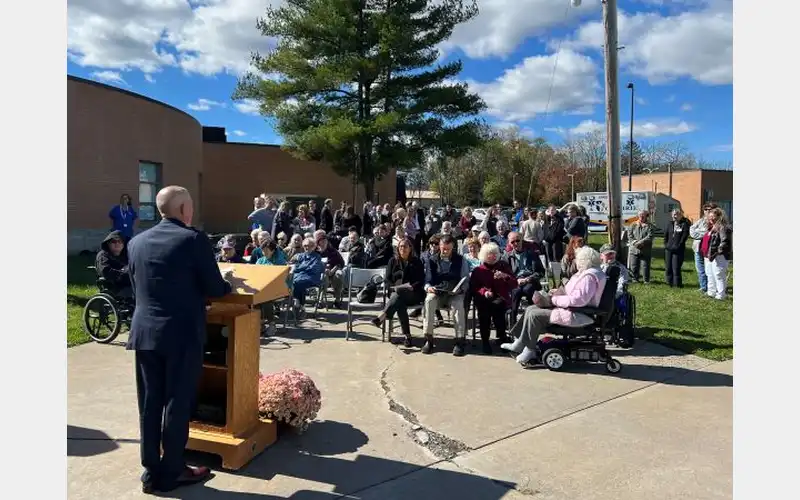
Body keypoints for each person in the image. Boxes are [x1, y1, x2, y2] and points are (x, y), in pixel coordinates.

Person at [126, 186, 233, 494]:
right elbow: (214, 286)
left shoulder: (136, 242)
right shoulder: (193, 239)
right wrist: (227, 284)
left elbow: (141, 287)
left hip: (145, 332)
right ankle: (172, 471)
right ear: (184, 208)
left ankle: (150, 469)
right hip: (181, 334)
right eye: (191, 206)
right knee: (177, 401)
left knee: (150, 402)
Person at [501, 247, 607, 366]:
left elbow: (579, 300)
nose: (576, 261)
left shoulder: (589, 277)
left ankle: (530, 350)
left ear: (584, 260)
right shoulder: (585, 273)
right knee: (530, 308)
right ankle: (520, 342)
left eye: (578, 259)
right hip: (571, 309)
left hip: (579, 314)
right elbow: (572, 293)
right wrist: (556, 292)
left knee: (535, 315)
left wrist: (554, 300)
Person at [371, 238, 426, 347]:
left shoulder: (417, 262)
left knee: (398, 296)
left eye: (405, 246)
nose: (403, 248)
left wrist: (411, 287)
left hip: (413, 294)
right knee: (399, 300)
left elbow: (420, 280)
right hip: (395, 293)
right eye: (400, 246)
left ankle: (382, 316)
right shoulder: (393, 261)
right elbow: (387, 279)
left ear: (410, 248)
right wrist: (392, 287)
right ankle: (407, 337)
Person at [422, 235, 470, 356]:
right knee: (429, 301)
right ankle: (429, 338)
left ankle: (459, 341)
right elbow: (427, 280)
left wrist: (461, 289)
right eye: (443, 248)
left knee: (458, 305)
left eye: (448, 249)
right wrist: (429, 287)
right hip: (438, 292)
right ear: (440, 246)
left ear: (452, 248)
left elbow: (466, 279)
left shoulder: (461, 259)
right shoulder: (432, 260)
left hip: (454, 293)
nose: (445, 251)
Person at [470, 243, 516, 354]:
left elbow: (514, 283)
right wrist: (484, 292)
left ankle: (501, 338)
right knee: (484, 313)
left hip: (500, 297)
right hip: (483, 298)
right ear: (484, 255)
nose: (493, 256)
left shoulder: (503, 266)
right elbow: (474, 287)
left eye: (495, 253)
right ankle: (485, 341)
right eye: (490, 254)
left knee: (498, 307)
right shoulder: (478, 270)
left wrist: (505, 277)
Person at [506, 232, 545, 323]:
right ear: (509, 243)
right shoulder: (507, 256)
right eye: (512, 242)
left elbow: (541, 272)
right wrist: (516, 280)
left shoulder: (532, 254)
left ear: (522, 240)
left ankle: (533, 320)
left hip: (530, 280)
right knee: (515, 292)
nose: (516, 243)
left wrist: (529, 279)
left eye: (518, 240)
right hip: (516, 282)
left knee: (528, 289)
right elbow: (506, 274)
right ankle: (513, 323)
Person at [254, 240, 289, 336]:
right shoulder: (260, 261)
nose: (264, 253)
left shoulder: (279, 261)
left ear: (273, 251)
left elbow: (281, 279)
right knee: (255, 298)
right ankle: (260, 323)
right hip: (262, 288)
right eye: (263, 251)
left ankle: (272, 324)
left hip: (279, 289)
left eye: (266, 251)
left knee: (266, 298)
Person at [700, 207, 732, 300]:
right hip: (711, 255)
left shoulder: (723, 227)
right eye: (710, 217)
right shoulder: (711, 227)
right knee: (710, 273)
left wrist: (717, 252)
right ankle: (711, 292)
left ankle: (721, 295)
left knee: (718, 274)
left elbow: (724, 242)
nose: (711, 219)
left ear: (719, 216)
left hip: (720, 256)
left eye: (713, 217)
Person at [291, 237, 325, 315]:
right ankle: (300, 305)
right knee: (295, 282)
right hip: (299, 277)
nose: (307, 247)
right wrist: (301, 267)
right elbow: (292, 265)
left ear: (313, 247)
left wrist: (299, 268)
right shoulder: (300, 256)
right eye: (305, 245)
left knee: (298, 283)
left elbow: (313, 269)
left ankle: (298, 304)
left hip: (312, 278)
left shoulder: (317, 257)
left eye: (309, 246)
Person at [689, 203, 717, 293]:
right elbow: (691, 230)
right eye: (706, 209)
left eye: (710, 209)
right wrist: (701, 234)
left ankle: (712, 288)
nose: (707, 211)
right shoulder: (700, 220)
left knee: (710, 269)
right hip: (697, 247)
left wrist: (698, 232)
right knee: (700, 269)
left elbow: (707, 233)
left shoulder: (715, 221)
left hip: (709, 249)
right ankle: (703, 287)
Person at [95, 230, 132, 297]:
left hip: (129, 283)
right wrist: (124, 275)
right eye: (114, 242)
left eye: (120, 241)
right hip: (114, 286)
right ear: (108, 243)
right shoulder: (103, 255)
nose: (117, 244)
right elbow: (105, 271)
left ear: (124, 244)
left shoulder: (127, 255)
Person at [315, 231, 346, 308]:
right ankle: (320, 301)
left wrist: (332, 271)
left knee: (339, 274)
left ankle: (337, 300)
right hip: (321, 272)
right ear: (318, 242)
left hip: (333, 271)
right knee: (323, 277)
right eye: (322, 240)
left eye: (325, 240)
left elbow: (341, 263)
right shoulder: (315, 252)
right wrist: (323, 270)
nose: (324, 242)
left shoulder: (333, 251)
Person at [663, 208, 691, 288]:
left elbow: (684, 237)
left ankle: (677, 285)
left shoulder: (684, 224)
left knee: (676, 267)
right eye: (674, 214)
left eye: (677, 214)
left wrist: (678, 246)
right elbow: (665, 236)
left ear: (681, 215)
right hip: (668, 249)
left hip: (678, 249)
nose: (675, 216)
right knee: (668, 267)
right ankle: (669, 283)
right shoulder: (670, 224)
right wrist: (666, 245)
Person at [625, 210, 654, 283]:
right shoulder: (633, 224)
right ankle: (635, 279)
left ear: (646, 216)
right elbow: (630, 235)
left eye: (643, 215)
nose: (641, 216)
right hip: (634, 249)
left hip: (645, 249)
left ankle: (646, 280)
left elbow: (650, 236)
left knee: (645, 266)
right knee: (634, 265)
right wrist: (635, 243)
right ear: (638, 216)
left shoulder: (650, 226)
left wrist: (641, 242)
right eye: (640, 215)